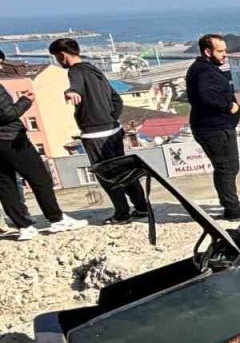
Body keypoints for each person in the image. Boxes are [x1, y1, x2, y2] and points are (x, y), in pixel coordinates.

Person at [48, 38, 150, 224]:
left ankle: (122, 214)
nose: (58, 61)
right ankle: (142, 207)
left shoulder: (75, 71)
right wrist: (111, 118)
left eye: (57, 57)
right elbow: (116, 99)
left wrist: (71, 92)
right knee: (124, 170)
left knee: (107, 174)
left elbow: (76, 85)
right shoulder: (95, 71)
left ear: (62, 55)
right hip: (113, 129)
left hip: (95, 134)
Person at [0, 83, 87, 240]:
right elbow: (7, 113)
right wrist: (25, 101)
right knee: (40, 179)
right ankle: (57, 219)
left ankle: (24, 226)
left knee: (6, 186)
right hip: (11, 139)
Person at [185, 34, 240, 220]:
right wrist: (229, 106)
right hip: (213, 128)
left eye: (225, 50)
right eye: (220, 51)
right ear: (207, 51)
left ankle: (231, 205)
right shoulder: (204, 71)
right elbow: (206, 96)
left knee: (228, 167)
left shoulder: (205, 68)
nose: (224, 54)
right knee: (226, 167)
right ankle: (232, 208)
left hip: (216, 126)